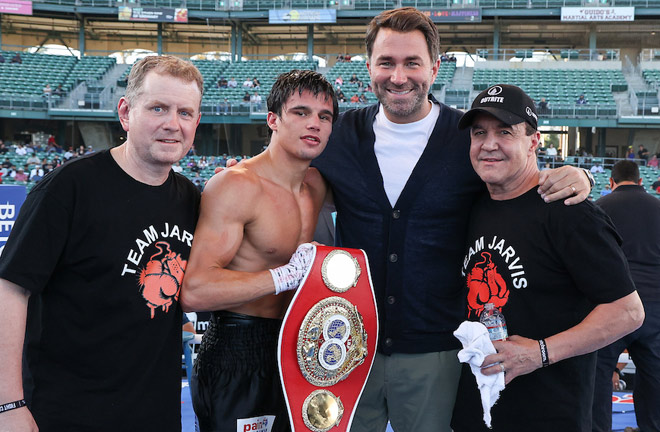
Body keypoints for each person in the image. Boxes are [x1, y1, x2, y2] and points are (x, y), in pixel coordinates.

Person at [310, 7, 593, 432]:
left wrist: (577, 174)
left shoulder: (469, 139)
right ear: (368, 65)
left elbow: (518, 176)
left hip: (437, 354)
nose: (398, 76)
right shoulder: (339, 136)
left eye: (412, 63)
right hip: (349, 347)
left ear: (435, 67)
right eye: (386, 62)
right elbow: (282, 170)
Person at [0, 55, 203, 431]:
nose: (173, 124)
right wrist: (8, 404)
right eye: (158, 108)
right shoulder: (67, 189)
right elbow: (10, 290)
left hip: (155, 416)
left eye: (185, 113)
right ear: (125, 112)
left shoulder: (192, 200)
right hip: (66, 414)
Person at [451, 84, 644, 432]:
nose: (489, 143)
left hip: (549, 414)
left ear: (534, 142)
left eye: (505, 132)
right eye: (480, 132)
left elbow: (628, 312)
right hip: (476, 412)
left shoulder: (569, 212)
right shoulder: (472, 205)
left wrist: (539, 352)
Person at [181, 70, 337, 432]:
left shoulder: (317, 184)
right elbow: (195, 290)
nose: (313, 123)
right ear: (273, 120)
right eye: (300, 112)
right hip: (238, 344)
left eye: (324, 117)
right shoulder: (237, 185)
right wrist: (283, 276)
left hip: (299, 346)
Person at [592, 160, 660, 432]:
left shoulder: (599, 208)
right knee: (655, 377)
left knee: (597, 375)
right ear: (641, 181)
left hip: (613, 305)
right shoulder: (658, 208)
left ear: (610, 182)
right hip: (655, 307)